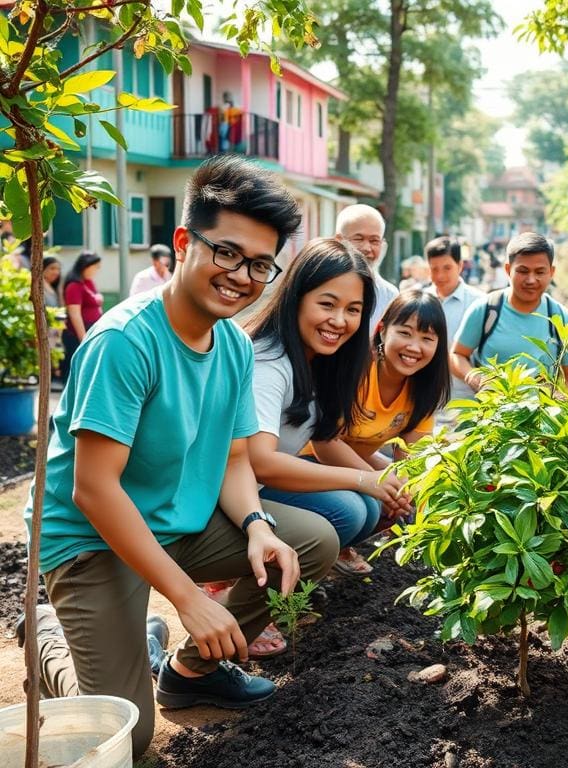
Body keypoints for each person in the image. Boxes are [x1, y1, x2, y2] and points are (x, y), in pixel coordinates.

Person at [21, 155, 339, 758]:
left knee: (308, 540)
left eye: (261, 265)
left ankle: (191, 670)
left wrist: (255, 525)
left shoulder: (233, 345)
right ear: (184, 242)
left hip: (171, 521)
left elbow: (236, 459)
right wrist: (190, 599)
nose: (242, 276)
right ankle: (49, 643)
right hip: (90, 538)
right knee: (128, 736)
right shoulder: (124, 342)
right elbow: (94, 489)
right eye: (227, 253)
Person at [246, 237, 408, 594]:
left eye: (353, 310)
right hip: (230, 493)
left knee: (366, 507)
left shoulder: (324, 359)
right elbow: (261, 462)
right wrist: (361, 479)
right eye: (327, 304)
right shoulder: (268, 362)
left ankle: (292, 577)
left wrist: (385, 485)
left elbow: (325, 440)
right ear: (297, 297)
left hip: (259, 484)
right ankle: (245, 590)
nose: (340, 320)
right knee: (348, 510)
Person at [311, 290, 448, 508]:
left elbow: (411, 462)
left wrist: (405, 495)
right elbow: (326, 444)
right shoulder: (357, 370)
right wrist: (378, 483)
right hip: (308, 460)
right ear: (382, 331)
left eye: (427, 339)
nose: (414, 347)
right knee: (359, 511)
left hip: (356, 467)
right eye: (405, 333)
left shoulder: (424, 389)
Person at [451, 232, 568, 393]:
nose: (531, 280)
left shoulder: (561, 318)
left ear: (552, 272)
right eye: (523, 271)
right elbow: (457, 354)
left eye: (540, 272)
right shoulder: (486, 309)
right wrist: (474, 377)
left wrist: (563, 401)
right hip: (491, 415)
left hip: (542, 415)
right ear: (508, 269)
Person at [423, 235, 483, 412]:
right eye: (434, 269)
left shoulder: (479, 304)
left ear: (460, 265)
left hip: (465, 400)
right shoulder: (420, 301)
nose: (440, 275)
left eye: (447, 268)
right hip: (424, 398)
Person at [335, 204, 397, 331]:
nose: (367, 248)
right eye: (358, 239)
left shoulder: (390, 296)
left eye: (374, 241)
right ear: (338, 240)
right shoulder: (319, 282)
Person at [61, 250, 104, 383]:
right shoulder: (74, 286)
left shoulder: (88, 282)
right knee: (74, 370)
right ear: (86, 266)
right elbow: (75, 314)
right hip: (77, 334)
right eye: (95, 267)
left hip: (92, 330)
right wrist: (84, 339)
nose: (96, 270)